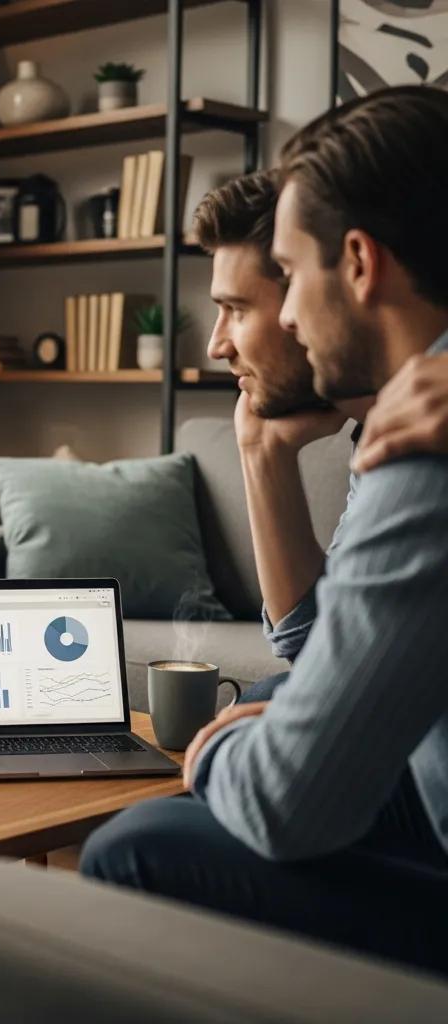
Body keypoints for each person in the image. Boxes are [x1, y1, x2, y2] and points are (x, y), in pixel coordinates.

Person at [80, 85, 448, 975]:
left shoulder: (419, 452)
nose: (240, 335)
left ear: (356, 264)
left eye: (258, 296)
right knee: (226, 756)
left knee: (132, 848)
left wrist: (225, 748)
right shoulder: (406, 417)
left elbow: (289, 796)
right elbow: (333, 652)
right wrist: (259, 455)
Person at [193, 169, 372, 700]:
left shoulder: (418, 443)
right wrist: (260, 452)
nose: (216, 345)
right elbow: (317, 645)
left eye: (237, 309)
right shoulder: (373, 432)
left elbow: (333, 675)